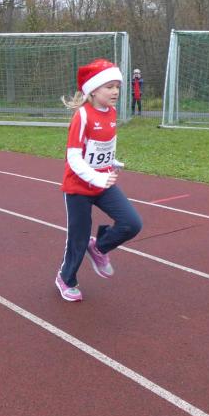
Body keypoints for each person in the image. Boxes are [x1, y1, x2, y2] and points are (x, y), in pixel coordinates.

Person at [55, 58, 143, 302]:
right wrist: (96, 177)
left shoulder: (112, 113)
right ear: (93, 90)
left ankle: (99, 247)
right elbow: (73, 157)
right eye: (109, 87)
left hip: (103, 182)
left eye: (117, 87)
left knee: (132, 223)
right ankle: (66, 278)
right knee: (78, 238)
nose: (115, 92)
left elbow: (105, 145)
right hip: (78, 187)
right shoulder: (82, 116)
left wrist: (112, 163)